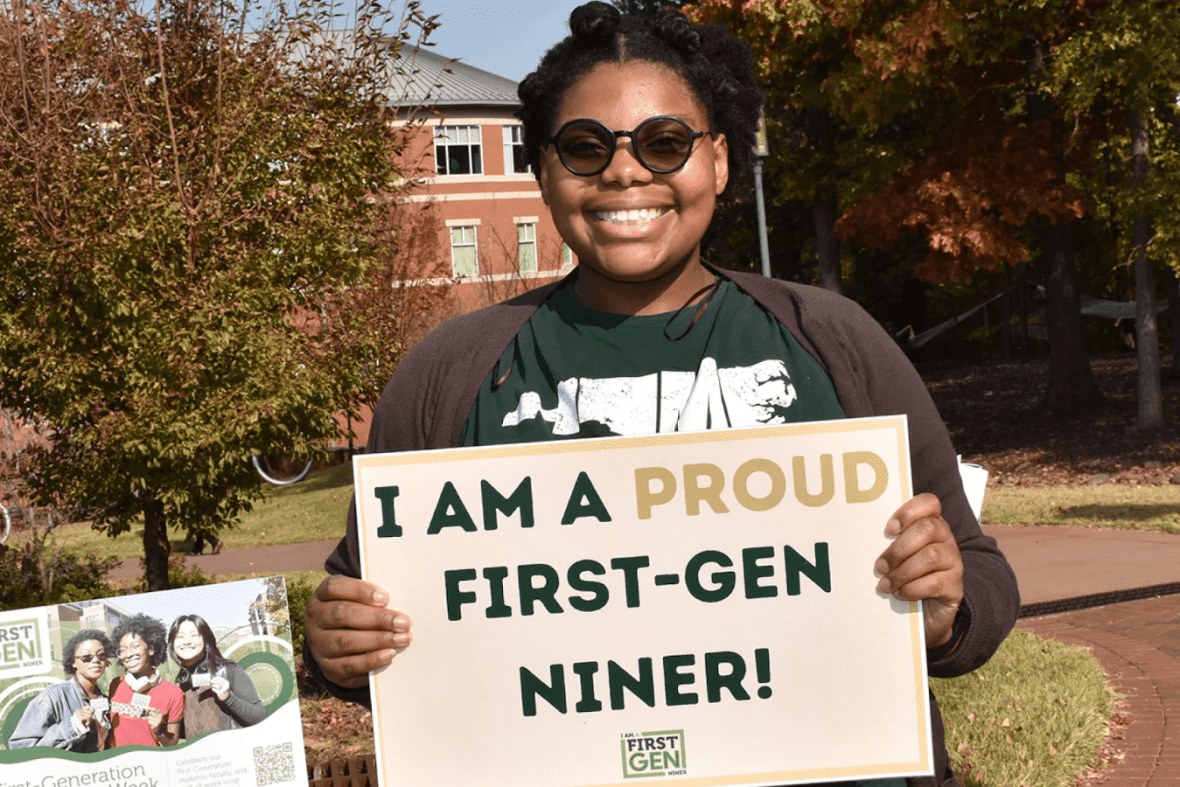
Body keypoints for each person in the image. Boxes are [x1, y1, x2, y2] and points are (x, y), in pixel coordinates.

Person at [302, 4, 1020, 786]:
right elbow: (369, 603)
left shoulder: (833, 338)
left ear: (717, 159)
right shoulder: (449, 373)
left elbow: (978, 571)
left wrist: (946, 612)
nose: (624, 170)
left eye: (664, 142)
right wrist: (339, 647)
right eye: (584, 148)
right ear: (543, 170)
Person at [9, 630, 114, 751]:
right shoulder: (53, 696)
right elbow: (20, 749)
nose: (96, 660)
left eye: (101, 655)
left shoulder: (106, 700)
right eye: (86, 657)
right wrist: (72, 726)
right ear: (73, 662)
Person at [168, 613, 266, 738]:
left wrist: (228, 698)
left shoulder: (230, 671)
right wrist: (164, 721)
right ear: (172, 644)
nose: (187, 641)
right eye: (180, 636)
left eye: (194, 635)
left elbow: (261, 717)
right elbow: (189, 730)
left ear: (205, 639)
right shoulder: (181, 682)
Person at [107, 614, 183, 747]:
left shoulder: (174, 694)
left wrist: (159, 730)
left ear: (151, 649)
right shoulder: (116, 684)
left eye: (135, 646)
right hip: (118, 764)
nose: (128, 654)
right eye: (122, 650)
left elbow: (172, 744)